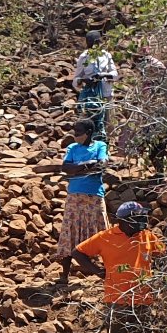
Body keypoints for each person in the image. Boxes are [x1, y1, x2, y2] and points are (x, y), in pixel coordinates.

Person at [72, 200, 167, 333]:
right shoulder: (105, 237)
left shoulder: (147, 236)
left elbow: (163, 255)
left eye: (143, 217)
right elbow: (77, 253)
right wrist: (97, 271)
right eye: (137, 218)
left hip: (143, 299)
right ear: (122, 222)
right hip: (117, 299)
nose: (142, 221)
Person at [56, 115, 109, 280]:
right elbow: (66, 167)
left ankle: (108, 272)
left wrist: (78, 168)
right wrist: (87, 166)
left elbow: (102, 164)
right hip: (75, 195)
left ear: (89, 132)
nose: (75, 134)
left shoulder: (100, 145)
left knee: (102, 233)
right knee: (69, 232)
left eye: (78, 131)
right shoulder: (72, 147)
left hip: (94, 195)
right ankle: (64, 275)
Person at [73, 30, 117, 141]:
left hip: (106, 94)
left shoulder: (106, 56)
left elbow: (115, 75)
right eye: (89, 42)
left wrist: (104, 75)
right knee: (88, 123)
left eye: (94, 42)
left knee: (108, 122)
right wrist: (83, 80)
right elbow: (75, 80)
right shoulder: (84, 57)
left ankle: (106, 148)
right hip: (90, 98)